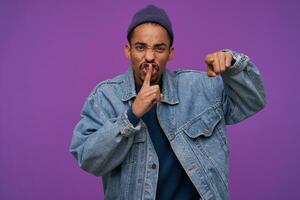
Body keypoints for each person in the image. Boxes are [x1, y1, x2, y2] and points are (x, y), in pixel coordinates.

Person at [70, 4, 266, 200]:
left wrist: (233, 65)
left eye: (159, 48)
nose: (149, 56)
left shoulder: (201, 87)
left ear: (170, 53)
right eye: (140, 47)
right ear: (128, 51)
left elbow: (252, 102)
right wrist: (131, 117)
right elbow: (89, 159)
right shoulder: (105, 97)